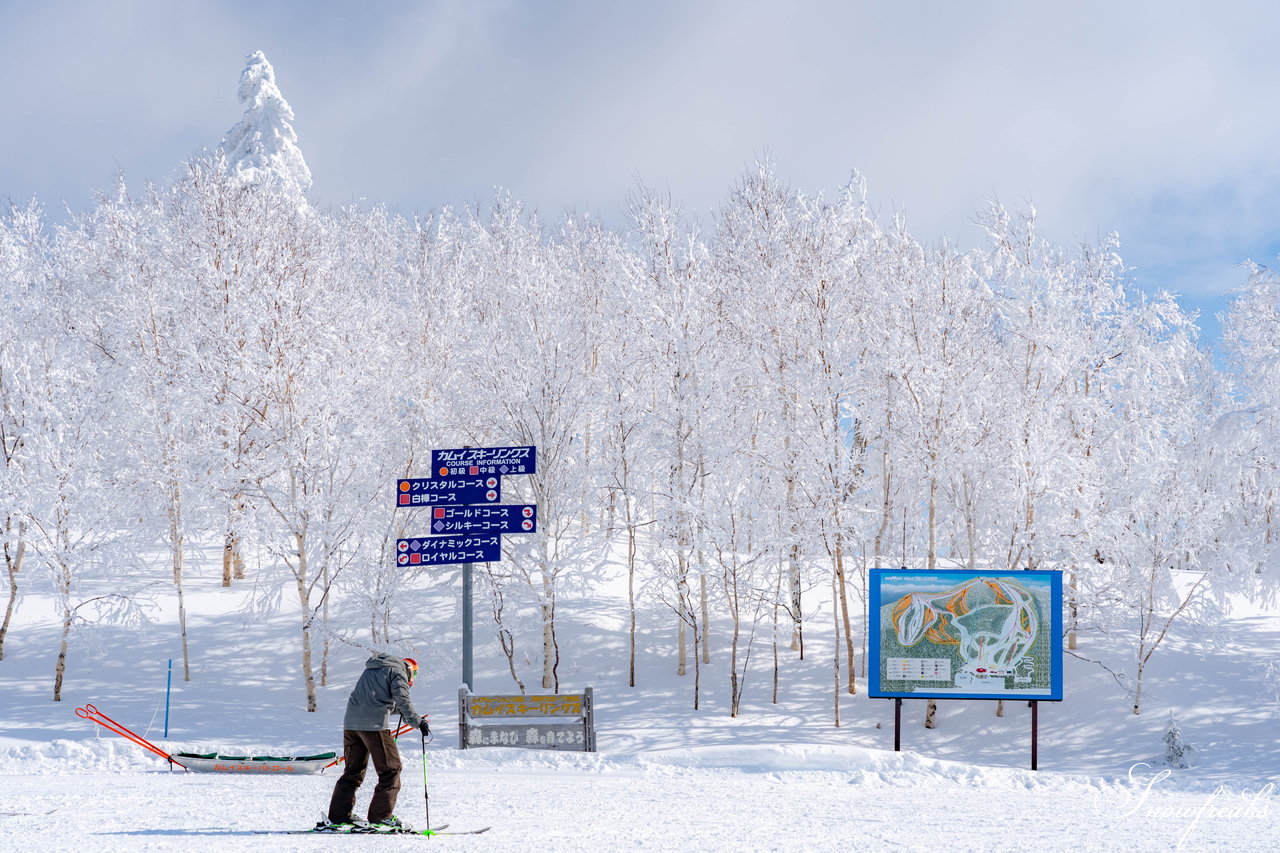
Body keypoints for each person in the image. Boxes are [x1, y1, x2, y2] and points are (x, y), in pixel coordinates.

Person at [321, 653, 430, 833]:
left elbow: (373, 701)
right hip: (374, 727)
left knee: (352, 772)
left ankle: (338, 816)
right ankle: (381, 817)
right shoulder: (398, 671)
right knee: (391, 769)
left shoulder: (372, 669)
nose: (413, 679)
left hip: (351, 725)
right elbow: (402, 699)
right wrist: (417, 722)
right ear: (409, 669)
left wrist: (403, 713)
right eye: (414, 674)